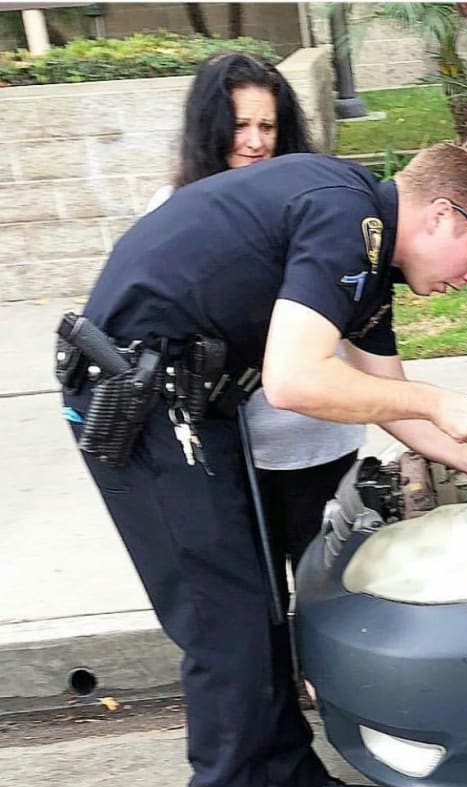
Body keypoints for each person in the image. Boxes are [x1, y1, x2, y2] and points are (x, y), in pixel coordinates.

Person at [59, 141, 467, 787]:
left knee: (262, 603)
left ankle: (288, 779)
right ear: (439, 212)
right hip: (139, 407)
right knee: (222, 621)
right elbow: (297, 379)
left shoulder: (369, 260)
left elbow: (389, 398)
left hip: (193, 403)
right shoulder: (344, 215)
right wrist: (434, 398)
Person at [146, 51, 364, 607]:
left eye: (267, 126)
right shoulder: (174, 214)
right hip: (232, 455)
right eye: (239, 125)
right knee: (256, 607)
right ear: (210, 129)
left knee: (330, 602)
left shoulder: (314, 208)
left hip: (321, 444)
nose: (254, 141)